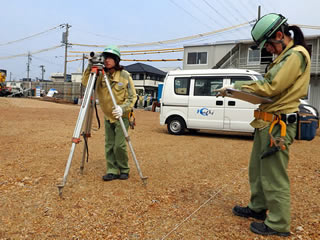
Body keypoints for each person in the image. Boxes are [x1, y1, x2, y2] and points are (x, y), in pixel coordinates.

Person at [221, 13, 311, 236]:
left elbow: (271, 87)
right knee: (258, 170)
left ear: (280, 35)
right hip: (267, 122)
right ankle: (258, 207)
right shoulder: (283, 57)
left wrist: (238, 87)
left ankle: (279, 223)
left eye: (268, 45)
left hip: (279, 125)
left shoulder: (296, 55)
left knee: (274, 175)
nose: (267, 50)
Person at [82, 45, 137, 181]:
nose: (107, 60)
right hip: (108, 116)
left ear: (117, 60)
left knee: (119, 145)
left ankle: (123, 169)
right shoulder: (100, 75)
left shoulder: (124, 75)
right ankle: (112, 169)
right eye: (106, 57)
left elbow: (132, 97)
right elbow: (86, 83)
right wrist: (90, 67)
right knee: (109, 144)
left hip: (122, 116)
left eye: (111, 58)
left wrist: (122, 108)